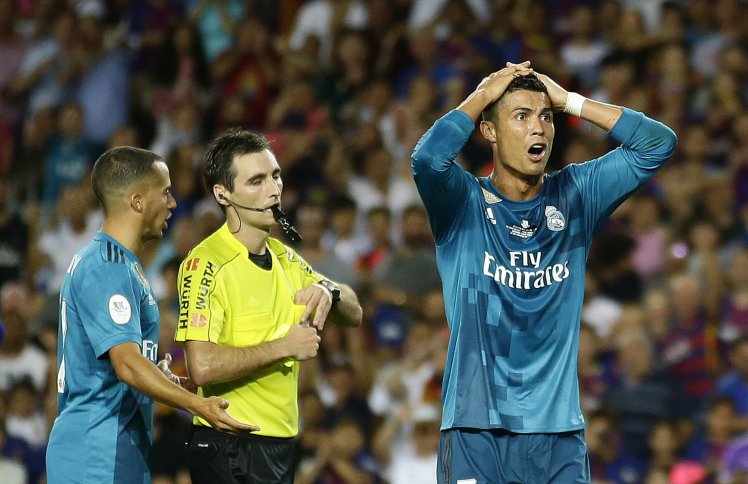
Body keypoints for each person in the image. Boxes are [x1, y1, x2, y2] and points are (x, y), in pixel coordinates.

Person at [410, 60, 677, 483]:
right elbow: (427, 160)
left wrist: (570, 101)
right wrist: (483, 95)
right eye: (521, 116)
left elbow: (657, 144)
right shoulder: (462, 203)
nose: (538, 128)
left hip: (558, 435)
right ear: (490, 131)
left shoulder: (576, 195)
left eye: (546, 117)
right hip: (476, 429)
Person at [46, 146, 257, 484]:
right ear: (138, 201)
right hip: (98, 454)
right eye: (166, 193)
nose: (172, 203)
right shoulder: (106, 268)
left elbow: (123, 364)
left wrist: (160, 378)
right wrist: (197, 405)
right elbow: (127, 364)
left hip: (117, 449)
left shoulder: (121, 265)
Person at [176, 128, 363, 484]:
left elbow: (355, 314)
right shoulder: (206, 264)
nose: (273, 190)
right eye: (256, 181)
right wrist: (284, 348)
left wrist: (329, 290)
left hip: (280, 446)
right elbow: (200, 366)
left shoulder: (285, 258)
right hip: (230, 446)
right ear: (222, 194)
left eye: (275, 176)